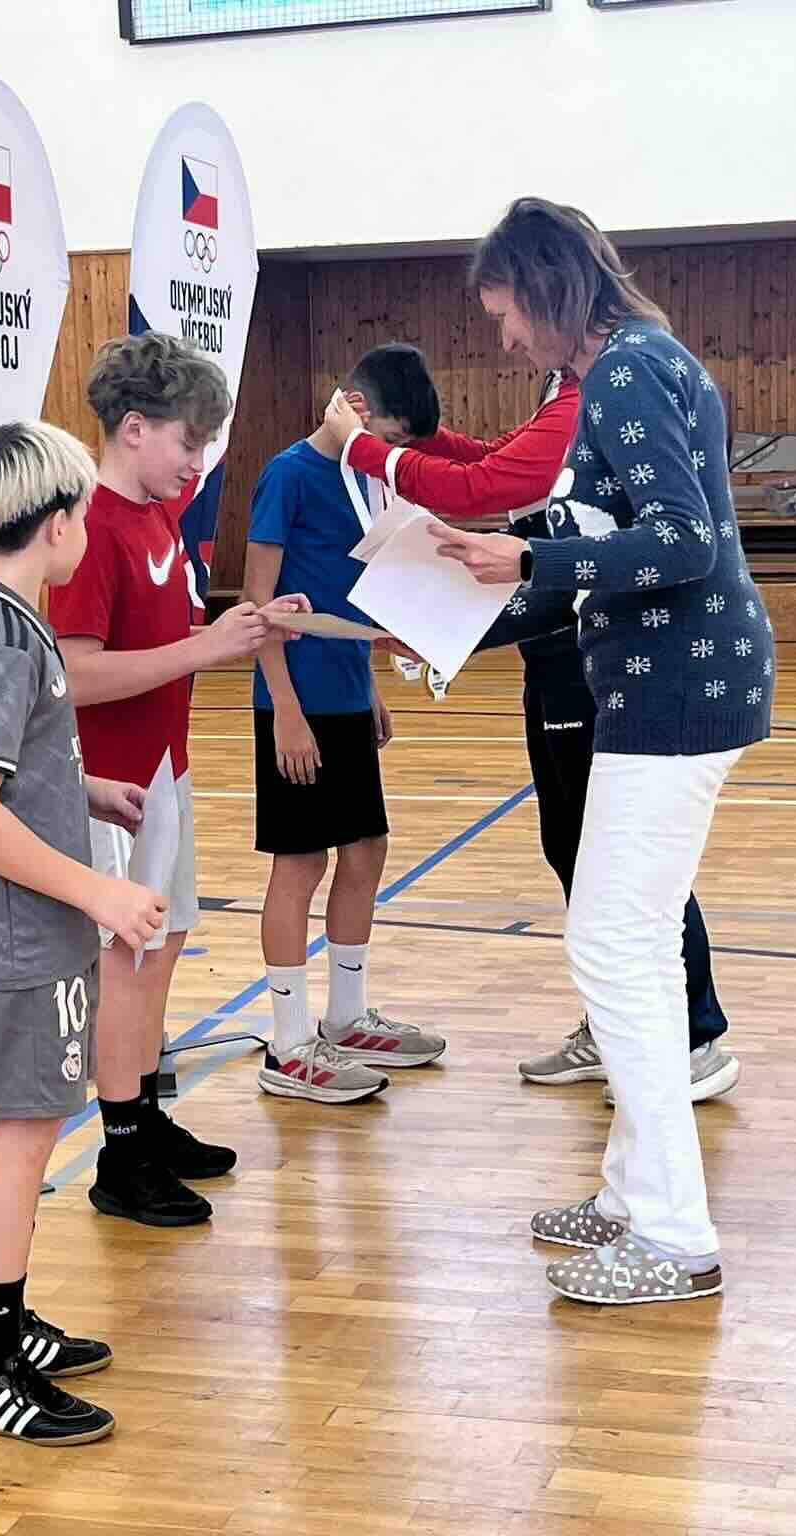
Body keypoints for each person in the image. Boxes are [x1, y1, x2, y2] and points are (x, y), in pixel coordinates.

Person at [433, 198, 774, 1306]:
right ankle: (633, 1196)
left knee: (613, 945)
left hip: (678, 683)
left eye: (506, 314)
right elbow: (601, 545)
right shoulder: (635, 364)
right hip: (671, 677)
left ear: (547, 289)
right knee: (632, 944)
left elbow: (680, 543)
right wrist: (466, 603)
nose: (504, 339)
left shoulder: (625, 372)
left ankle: (673, 1236)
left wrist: (525, 564)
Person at [314, 343, 739, 1106]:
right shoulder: (563, 388)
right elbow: (494, 459)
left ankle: (692, 1033)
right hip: (558, 647)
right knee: (572, 846)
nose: (504, 336)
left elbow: (485, 486)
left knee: (618, 858)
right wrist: (418, 438)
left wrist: (365, 450)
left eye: (508, 312)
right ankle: (619, 1022)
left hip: (593, 653)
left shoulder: (601, 391)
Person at [0, 420, 167, 1444]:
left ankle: (5, 1322)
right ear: (59, 523)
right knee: (19, 1140)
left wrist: (82, 787)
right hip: (10, 941)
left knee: (29, 1134)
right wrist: (100, 893)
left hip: (25, 932)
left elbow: (3, 770)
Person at [49, 332, 306, 1228]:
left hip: (166, 766)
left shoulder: (158, 514)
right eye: (188, 442)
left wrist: (247, 627)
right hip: (112, 782)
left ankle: (144, 1117)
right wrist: (206, 648)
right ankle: (120, 1156)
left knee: (161, 950)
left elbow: (167, 639)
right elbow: (74, 673)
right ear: (133, 429)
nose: (197, 463)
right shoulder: (89, 529)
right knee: (126, 962)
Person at [245, 343, 450, 1104]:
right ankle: (288, 1044)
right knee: (301, 863)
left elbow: (349, 599)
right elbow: (259, 605)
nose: (391, 455)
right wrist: (286, 711)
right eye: (390, 439)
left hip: (345, 697)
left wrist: (368, 690)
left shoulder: (366, 482)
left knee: (365, 850)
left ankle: (347, 1016)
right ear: (357, 410)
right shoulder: (288, 475)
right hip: (295, 705)